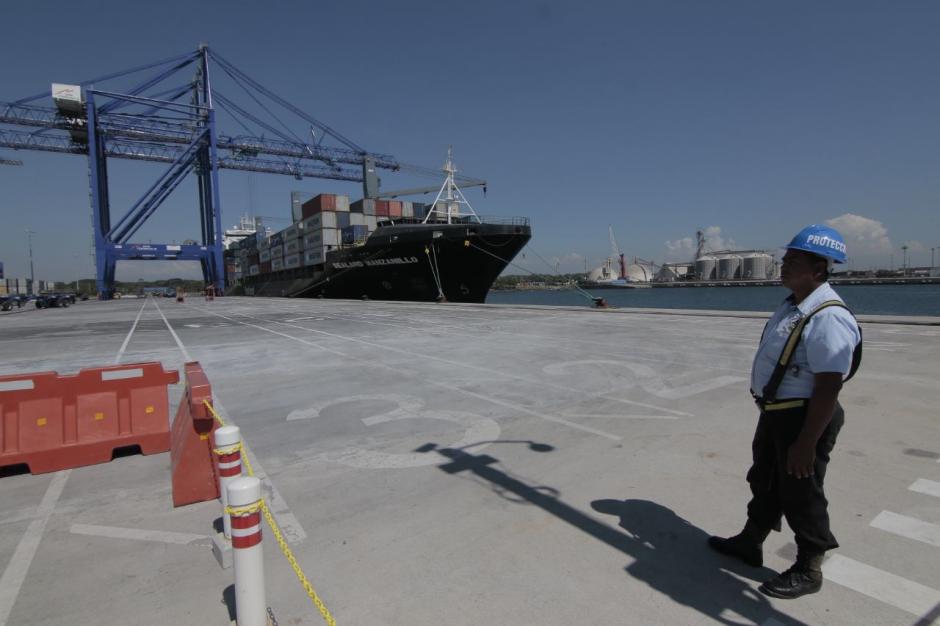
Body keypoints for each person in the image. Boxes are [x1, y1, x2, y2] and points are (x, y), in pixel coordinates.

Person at [708, 224, 862, 599]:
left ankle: (809, 567)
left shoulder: (828, 316)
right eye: (785, 259)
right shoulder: (793, 303)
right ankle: (751, 540)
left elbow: (829, 385)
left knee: (802, 491)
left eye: (792, 261)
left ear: (818, 269)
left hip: (805, 418)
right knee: (764, 478)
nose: (783, 265)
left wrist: (807, 442)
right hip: (777, 413)